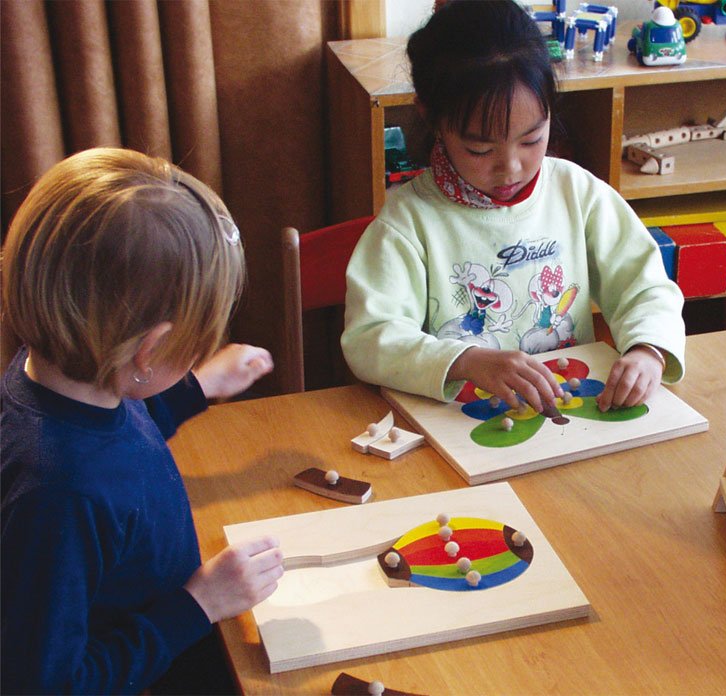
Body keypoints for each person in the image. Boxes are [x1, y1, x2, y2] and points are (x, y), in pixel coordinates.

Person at [1, 148, 284, 694]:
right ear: (148, 351)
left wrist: (197, 384)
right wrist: (198, 604)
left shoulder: (59, 377)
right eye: (194, 344)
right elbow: (47, 683)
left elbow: (123, 435)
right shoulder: (59, 495)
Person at [342, 0, 685, 415]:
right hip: (460, 427)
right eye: (480, 149)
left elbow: (644, 285)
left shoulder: (577, 193)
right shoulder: (408, 222)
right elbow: (370, 338)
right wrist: (465, 361)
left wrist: (648, 349)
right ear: (431, 118)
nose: (512, 168)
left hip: (568, 412)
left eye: (531, 139)